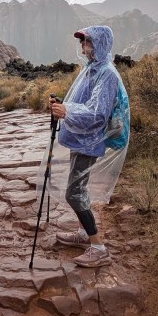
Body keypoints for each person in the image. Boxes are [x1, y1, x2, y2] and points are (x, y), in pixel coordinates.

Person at [48, 25, 129, 268]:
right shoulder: (92, 70)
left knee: (74, 193)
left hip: (90, 140)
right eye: (83, 43)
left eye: (89, 43)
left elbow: (98, 114)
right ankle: (84, 234)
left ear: (101, 44)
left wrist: (67, 111)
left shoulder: (107, 74)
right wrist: (64, 106)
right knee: (78, 190)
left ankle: (98, 247)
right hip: (81, 137)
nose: (84, 48)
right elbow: (82, 101)